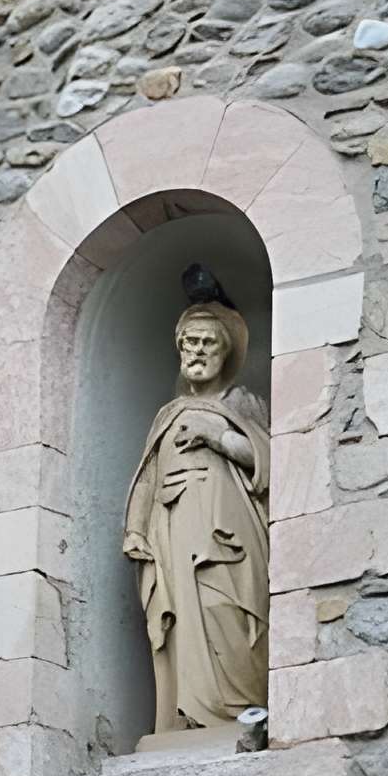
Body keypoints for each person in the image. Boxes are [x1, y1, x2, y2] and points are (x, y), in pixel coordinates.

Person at [122, 299, 270, 736]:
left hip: (230, 533)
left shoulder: (243, 402)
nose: (198, 351)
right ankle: (186, 720)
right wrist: (135, 528)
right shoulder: (166, 415)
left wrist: (217, 435)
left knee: (225, 609)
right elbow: (147, 475)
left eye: (208, 343)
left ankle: (239, 713)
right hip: (172, 530)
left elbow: (268, 459)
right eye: (190, 343)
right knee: (184, 622)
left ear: (225, 353)